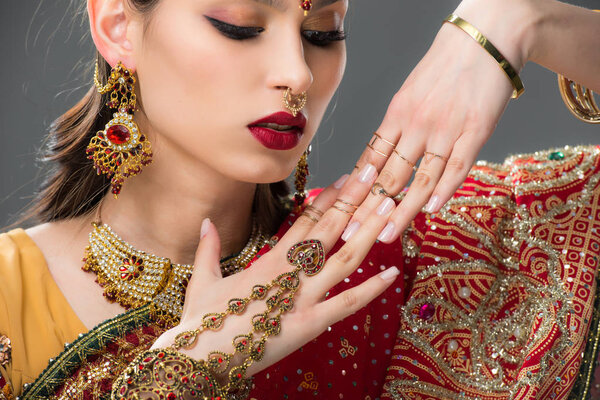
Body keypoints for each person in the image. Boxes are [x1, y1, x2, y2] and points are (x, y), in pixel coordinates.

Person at [0, 0, 599, 398]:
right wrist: (190, 367)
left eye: (322, 34)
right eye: (239, 25)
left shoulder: (390, 251)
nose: (298, 73)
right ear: (117, 27)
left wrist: (519, 20)